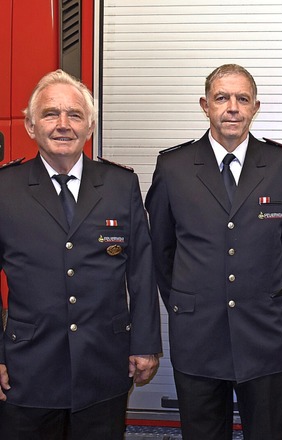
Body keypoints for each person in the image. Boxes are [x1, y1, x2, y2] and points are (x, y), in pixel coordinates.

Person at [145, 63, 282, 440]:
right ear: (205, 105)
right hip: (198, 333)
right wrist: (188, 302)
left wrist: (267, 295)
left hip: (265, 332)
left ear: (255, 107)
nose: (232, 107)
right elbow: (161, 251)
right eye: (222, 98)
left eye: (242, 99)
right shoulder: (174, 166)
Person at [0, 69, 162, 439]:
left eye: (74, 115)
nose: (63, 125)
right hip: (27, 369)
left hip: (103, 366)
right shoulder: (5, 189)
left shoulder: (121, 185)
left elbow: (141, 270)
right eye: (50, 114)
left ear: (89, 127)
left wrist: (146, 344)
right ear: (30, 125)